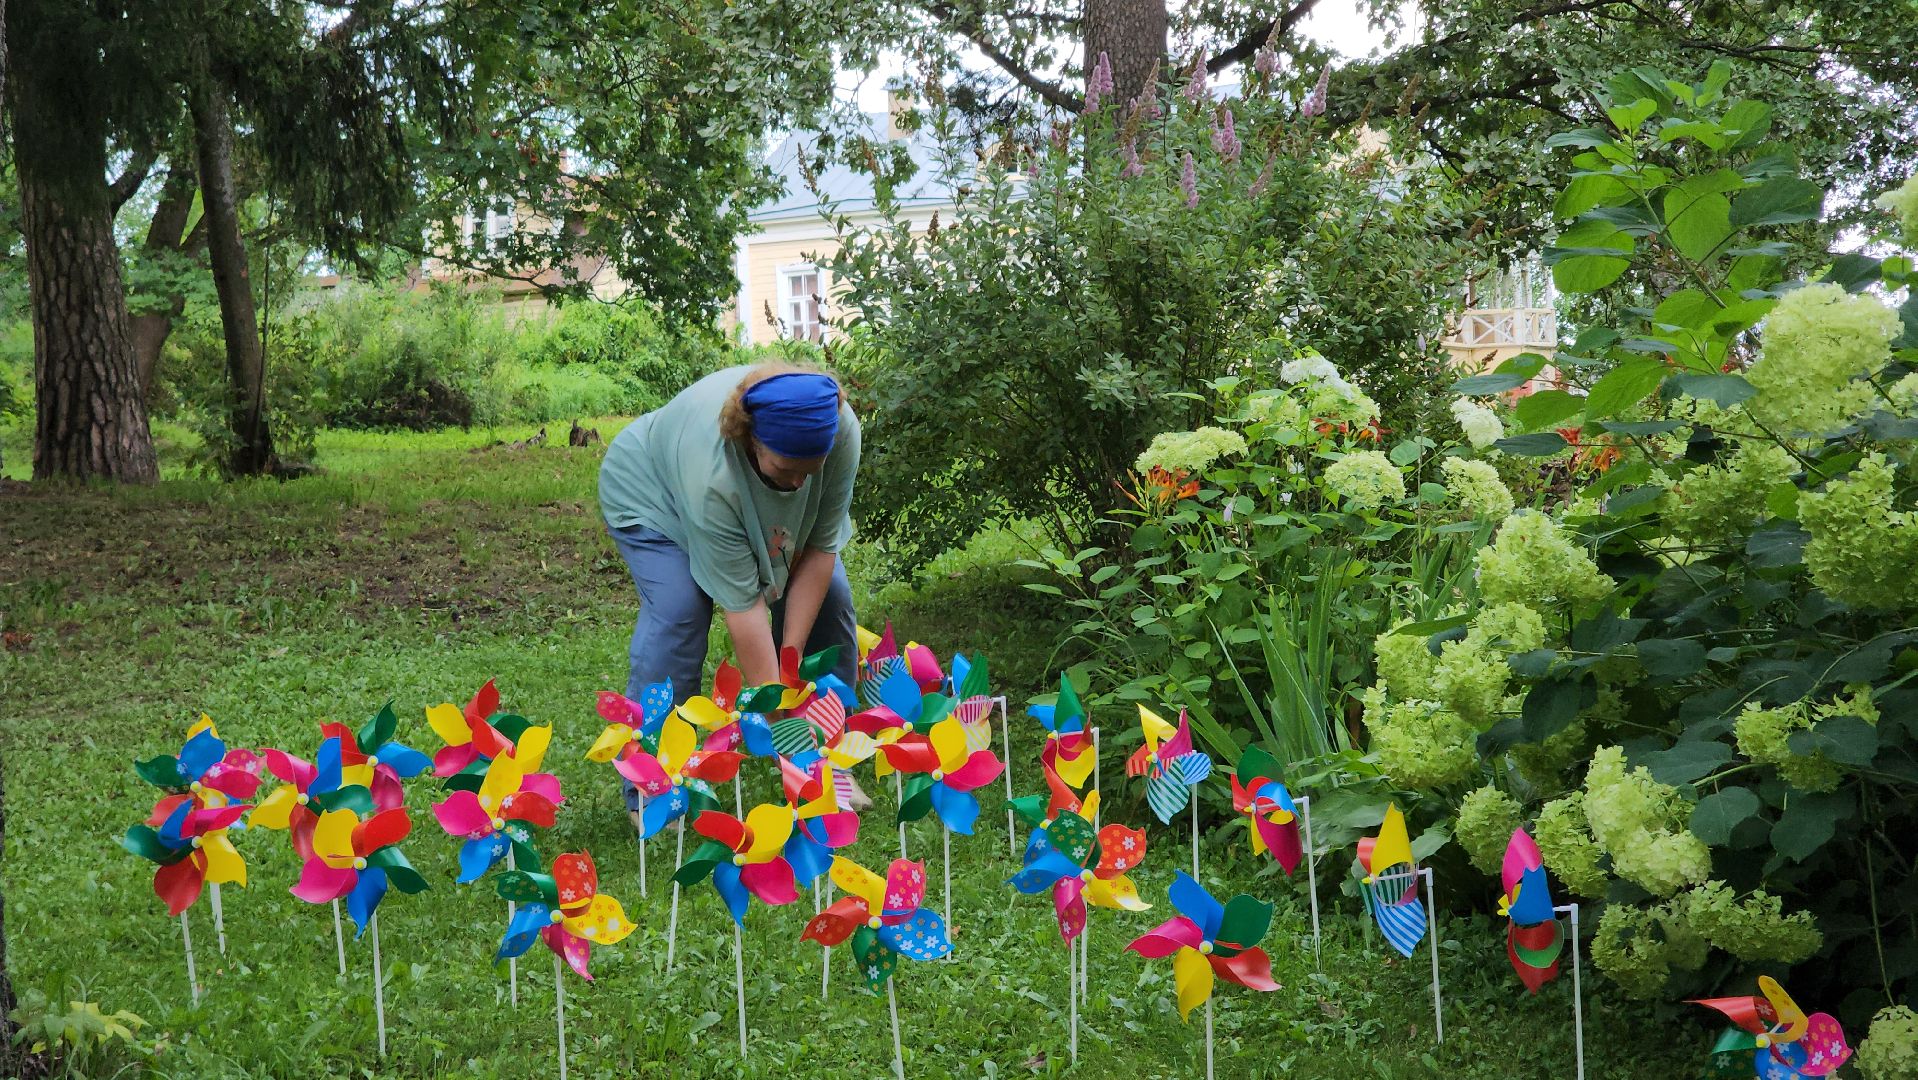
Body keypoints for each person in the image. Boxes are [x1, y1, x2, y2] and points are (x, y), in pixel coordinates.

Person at [597, 361, 861, 828]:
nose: (800, 482)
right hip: (654, 494)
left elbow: (820, 549)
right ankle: (656, 783)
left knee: (832, 597)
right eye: (787, 468)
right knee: (680, 609)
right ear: (752, 439)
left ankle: (828, 755)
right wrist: (775, 707)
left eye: (810, 471)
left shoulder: (839, 432)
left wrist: (791, 670)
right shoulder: (712, 473)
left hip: (745, 500)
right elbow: (743, 608)